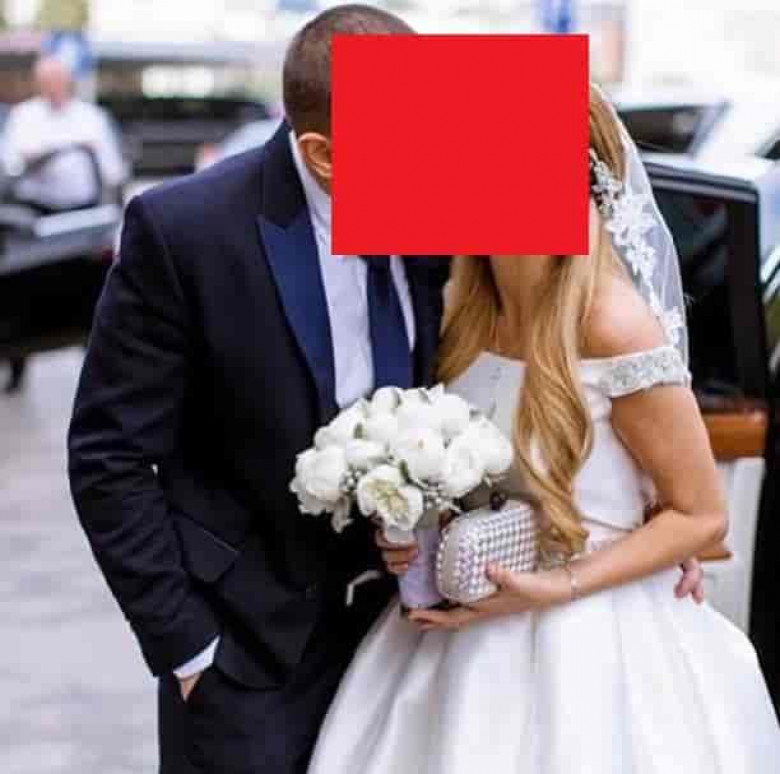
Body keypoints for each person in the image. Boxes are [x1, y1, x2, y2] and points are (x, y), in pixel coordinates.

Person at [307, 86, 780, 773]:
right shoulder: (461, 309)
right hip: (454, 636)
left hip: (592, 642)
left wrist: (561, 586)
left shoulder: (613, 323)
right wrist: (408, 524)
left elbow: (702, 514)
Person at [67, 6, 447, 773]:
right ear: (323, 154)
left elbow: (559, 307)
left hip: (406, 641)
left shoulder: (438, 206)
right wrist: (185, 645)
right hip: (245, 656)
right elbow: (108, 456)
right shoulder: (185, 229)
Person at [1, 55, 126, 213]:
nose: (53, 85)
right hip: (34, 207)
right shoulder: (23, 115)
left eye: (57, 79)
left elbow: (112, 167)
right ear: (37, 83)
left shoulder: (91, 116)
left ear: (68, 80)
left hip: (83, 206)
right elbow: (10, 162)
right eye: (46, 80)